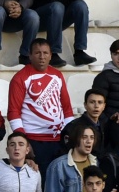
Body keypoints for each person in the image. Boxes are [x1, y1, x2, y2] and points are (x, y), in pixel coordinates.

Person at [8, 39, 74, 173]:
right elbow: (13, 112)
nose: (42, 57)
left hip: (58, 139)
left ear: (51, 55)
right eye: (37, 53)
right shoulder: (20, 78)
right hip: (34, 140)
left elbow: (67, 109)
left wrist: (70, 134)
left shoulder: (58, 75)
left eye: (45, 53)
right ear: (30, 55)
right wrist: (24, 142)